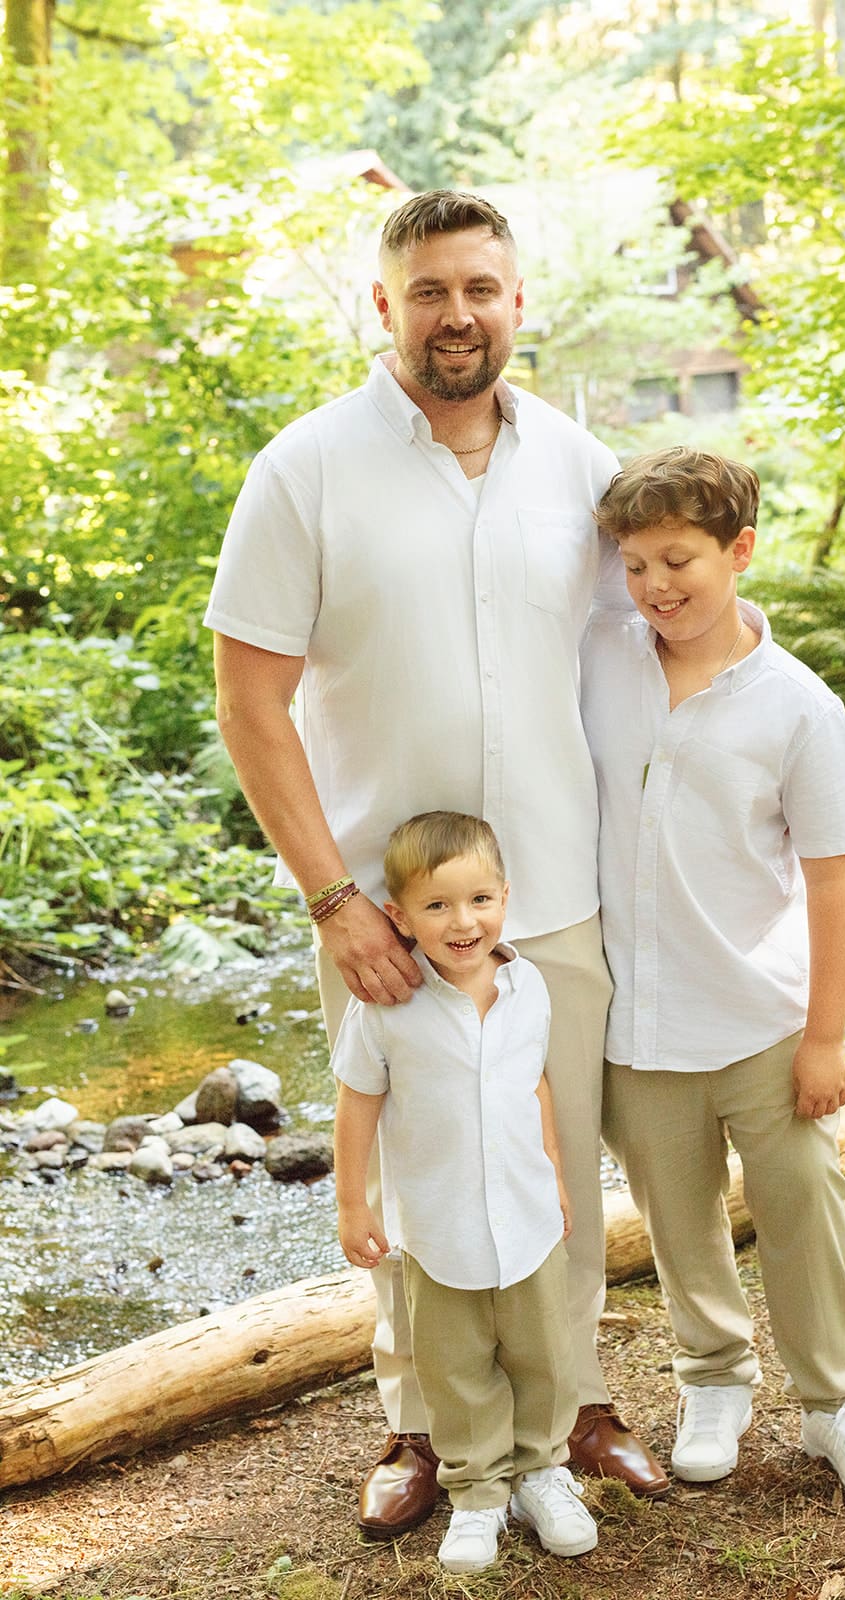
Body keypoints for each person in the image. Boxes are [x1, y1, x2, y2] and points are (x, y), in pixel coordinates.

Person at [206, 188, 667, 1537]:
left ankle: (569, 1402)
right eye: (427, 291)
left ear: (519, 303)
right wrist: (333, 898)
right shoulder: (304, 467)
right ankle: (420, 1422)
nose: (454, 314)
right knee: (416, 1171)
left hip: (555, 896)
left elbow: (646, 650)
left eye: (479, 288)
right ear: (382, 305)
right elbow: (249, 703)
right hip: (380, 913)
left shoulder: (581, 468)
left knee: (554, 1165)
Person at [580, 446, 845, 1512]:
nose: (652, 587)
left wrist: (824, 1037)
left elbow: (831, 879)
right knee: (677, 1223)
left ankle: (834, 1405)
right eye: (632, 565)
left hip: (762, 1015)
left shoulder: (798, 707)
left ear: (738, 551)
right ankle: (713, 1383)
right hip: (637, 1016)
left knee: (800, 1208)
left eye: (674, 559)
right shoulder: (601, 662)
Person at [332, 811, 600, 1574]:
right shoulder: (386, 1007)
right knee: (454, 1364)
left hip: (527, 1217)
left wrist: (551, 1171)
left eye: (479, 900)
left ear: (505, 898)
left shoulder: (528, 987)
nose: (462, 922)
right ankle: (479, 1490)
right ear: (399, 916)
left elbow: (535, 1086)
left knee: (544, 1350)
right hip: (437, 1226)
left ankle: (542, 1471)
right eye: (438, 906)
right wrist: (356, 1205)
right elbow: (357, 1105)